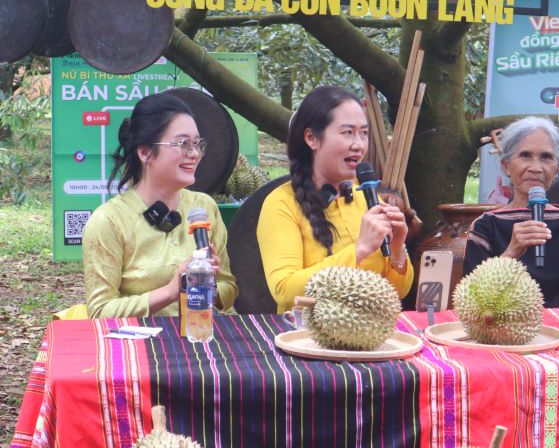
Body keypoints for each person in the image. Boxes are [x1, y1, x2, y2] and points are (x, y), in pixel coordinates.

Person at [257, 86, 413, 313]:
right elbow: (285, 291)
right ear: (311, 138)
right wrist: (359, 250)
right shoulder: (281, 204)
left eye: (364, 133)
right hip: (308, 338)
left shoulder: (368, 199)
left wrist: (398, 249)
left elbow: (398, 292)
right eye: (347, 132)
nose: (358, 145)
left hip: (370, 333)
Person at [82, 92, 237, 318]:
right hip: (142, 347)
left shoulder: (203, 207)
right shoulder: (108, 222)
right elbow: (100, 311)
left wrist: (205, 285)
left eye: (197, 144)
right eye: (182, 143)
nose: (193, 153)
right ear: (145, 152)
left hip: (202, 335)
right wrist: (172, 290)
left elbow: (229, 287)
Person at [463, 116, 559, 307]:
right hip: (500, 327)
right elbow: (470, 298)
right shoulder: (485, 226)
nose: (536, 168)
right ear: (506, 166)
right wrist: (511, 253)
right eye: (525, 155)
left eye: (546, 157)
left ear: (557, 167)